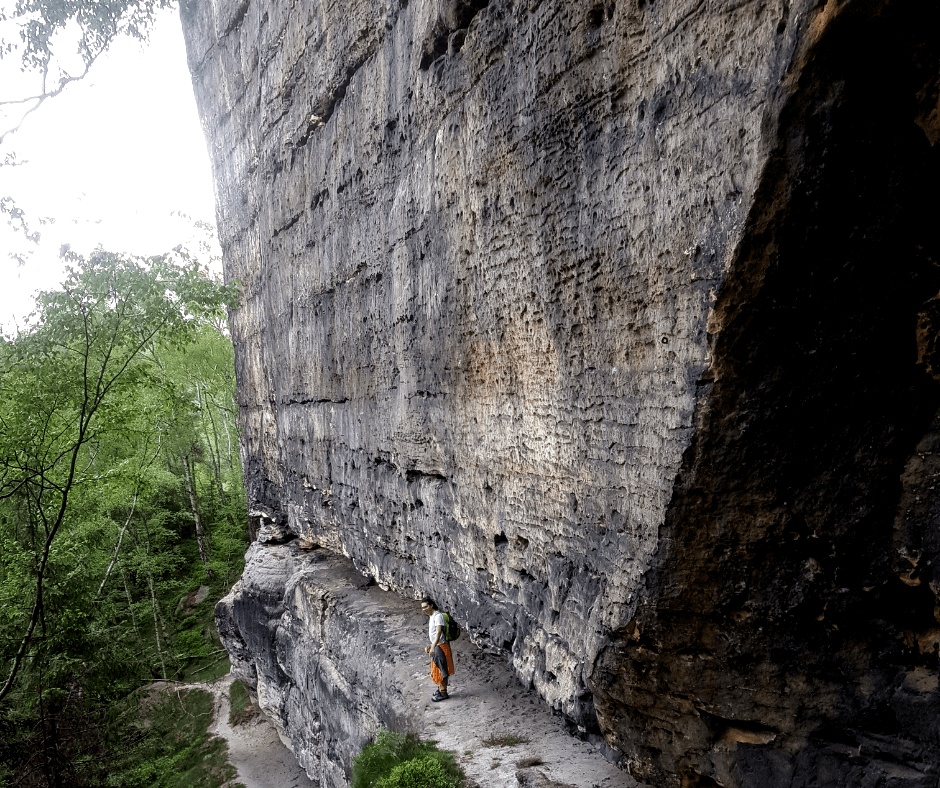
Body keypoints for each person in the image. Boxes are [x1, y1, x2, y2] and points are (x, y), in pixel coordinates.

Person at [421, 597, 454, 701]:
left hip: (440, 646)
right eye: (422, 608)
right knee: (438, 668)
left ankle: (443, 692)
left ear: (431, 605)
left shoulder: (438, 616)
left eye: (426, 606)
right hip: (436, 645)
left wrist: (433, 646)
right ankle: (440, 689)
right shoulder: (432, 616)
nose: (424, 609)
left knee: (442, 669)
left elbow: (438, 632)